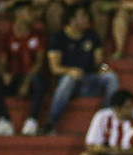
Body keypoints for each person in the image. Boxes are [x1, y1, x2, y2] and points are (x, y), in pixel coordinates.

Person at [42, 3, 120, 134]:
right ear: (72, 20)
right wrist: (70, 71)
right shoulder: (58, 38)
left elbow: (100, 63)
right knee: (68, 79)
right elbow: (54, 68)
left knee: (111, 77)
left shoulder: (92, 36)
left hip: (88, 80)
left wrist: (105, 68)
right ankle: (51, 122)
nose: (87, 19)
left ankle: (106, 120)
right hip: (68, 84)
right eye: (83, 16)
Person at [0, 0, 48, 136]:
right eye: (29, 12)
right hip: (14, 76)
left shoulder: (38, 35)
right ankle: (5, 121)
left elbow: (39, 62)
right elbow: (1, 62)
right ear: (18, 14)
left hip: (30, 76)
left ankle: (32, 120)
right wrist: (4, 74)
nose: (33, 15)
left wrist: (26, 82)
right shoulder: (7, 37)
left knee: (39, 81)